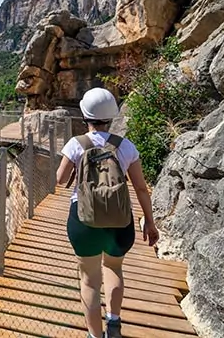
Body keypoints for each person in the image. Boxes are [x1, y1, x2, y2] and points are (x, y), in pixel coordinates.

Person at [55, 87, 159, 338]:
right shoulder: (126, 147)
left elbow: (60, 180)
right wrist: (150, 223)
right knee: (114, 268)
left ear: (85, 115)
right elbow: (141, 189)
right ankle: (113, 321)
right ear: (111, 116)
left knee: (89, 279)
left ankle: (94, 335)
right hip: (119, 220)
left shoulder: (75, 144)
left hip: (84, 220)